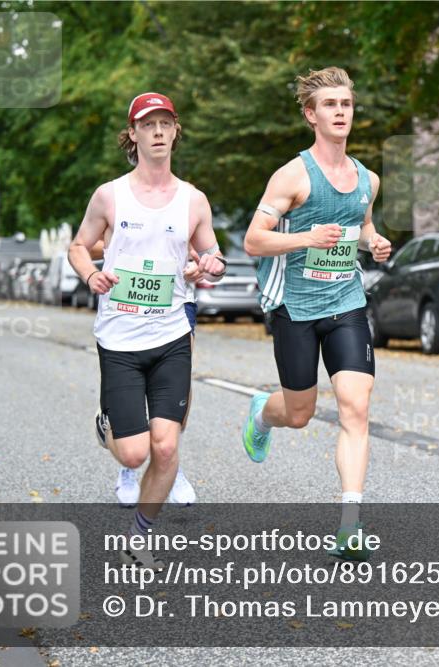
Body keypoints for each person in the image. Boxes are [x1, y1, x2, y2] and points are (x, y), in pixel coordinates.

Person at [69, 92, 225, 568]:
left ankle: (142, 532)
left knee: (166, 444)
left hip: (171, 335)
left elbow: (213, 255)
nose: (157, 131)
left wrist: (207, 268)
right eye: (147, 124)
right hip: (118, 337)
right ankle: (108, 425)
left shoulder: (193, 200)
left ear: (176, 131)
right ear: (133, 135)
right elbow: (79, 246)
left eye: (165, 123)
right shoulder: (109, 195)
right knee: (133, 455)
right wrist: (90, 274)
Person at [243, 67, 392, 561]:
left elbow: (363, 225)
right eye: (330, 105)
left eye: (346, 104)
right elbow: (253, 240)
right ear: (311, 115)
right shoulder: (292, 175)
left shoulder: (367, 178)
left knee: (356, 406)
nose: (340, 112)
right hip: (296, 306)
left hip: (346, 302)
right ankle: (264, 414)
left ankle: (350, 524)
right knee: (300, 413)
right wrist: (307, 237)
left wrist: (375, 242)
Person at [88, 239, 198, 508]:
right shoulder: (113, 198)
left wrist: (198, 263)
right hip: (126, 306)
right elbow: (87, 246)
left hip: (177, 300)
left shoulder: (188, 197)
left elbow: (203, 249)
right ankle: (128, 459)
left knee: (178, 384)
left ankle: (168, 462)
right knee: (133, 400)